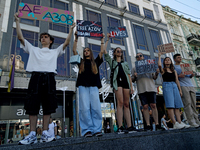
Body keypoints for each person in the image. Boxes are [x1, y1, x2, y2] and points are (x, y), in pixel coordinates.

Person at [14, 12, 75, 145]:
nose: (43, 38)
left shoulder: (55, 51)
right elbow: (20, 37)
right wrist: (18, 21)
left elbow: (66, 43)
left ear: (50, 40)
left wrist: (71, 30)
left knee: (48, 106)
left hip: (49, 78)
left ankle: (46, 133)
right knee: (32, 106)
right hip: (35, 77)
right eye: (41, 37)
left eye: (46, 37)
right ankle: (32, 134)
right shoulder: (34, 49)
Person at [73, 31, 104, 137]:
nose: (86, 52)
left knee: (96, 107)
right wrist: (76, 39)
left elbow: (102, 51)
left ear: (90, 52)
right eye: (84, 50)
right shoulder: (80, 61)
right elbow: (74, 51)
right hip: (82, 86)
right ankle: (87, 130)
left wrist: (103, 40)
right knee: (84, 108)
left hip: (94, 86)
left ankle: (97, 129)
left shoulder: (95, 62)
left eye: (87, 50)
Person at [104, 33, 137, 134]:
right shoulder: (112, 62)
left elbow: (128, 75)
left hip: (126, 84)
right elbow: (104, 52)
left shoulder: (125, 63)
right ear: (114, 53)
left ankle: (130, 126)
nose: (119, 52)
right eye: (117, 51)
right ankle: (120, 127)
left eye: (120, 51)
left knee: (127, 104)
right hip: (117, 83)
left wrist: (132, 87)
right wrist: (107, 40)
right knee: (120, 103)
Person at [158, 53, 190, 129]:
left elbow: (177, 80)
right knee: (170, 105)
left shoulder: (174, 71)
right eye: (166, 60)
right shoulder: (163, 70)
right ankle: (174, 123)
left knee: (177, 105)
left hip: (174, 86)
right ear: (164, 62)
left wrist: (180, 90)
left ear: (171, 62)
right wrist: (159, 56)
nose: (167, 61)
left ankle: (179, 122)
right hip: (167, 86)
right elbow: (159, 65)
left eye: (168, 60)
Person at [132, 53, 161, 131]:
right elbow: (132, 80)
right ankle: (148, 124)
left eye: (140, 56)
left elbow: (154, 77)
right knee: (145, 107)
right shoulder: (134, 68)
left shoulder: (149, 65)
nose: (139, 57)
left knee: (153, 105)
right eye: (137, 56)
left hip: (151, 88)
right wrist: (134, 76)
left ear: (143, 57)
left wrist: (157, 73)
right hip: (141, 89)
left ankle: (157, 124)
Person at [174, 54, 200, 128]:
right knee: (187, 103)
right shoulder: (174, 67)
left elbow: (190, 76)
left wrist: (192, 74)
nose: (180, 58)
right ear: (175, 59)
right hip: (183, 86)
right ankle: (191, 121)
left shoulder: (185, 66)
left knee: (193, 104)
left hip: (191, 85)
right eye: (178, 57)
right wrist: (179, 76)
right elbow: (173, 77)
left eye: (180, 57)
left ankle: (197, 120)